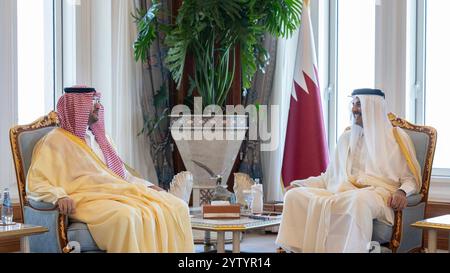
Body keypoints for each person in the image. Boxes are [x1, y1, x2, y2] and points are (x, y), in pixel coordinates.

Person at [26, 86, 194, 253]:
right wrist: (58, 196)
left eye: (98, 101)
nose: (98, 106)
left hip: (120, 193)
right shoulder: (55, 141)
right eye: (92, 102)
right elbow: (37, 181)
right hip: (86, 199)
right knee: (127, 217)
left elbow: (120, 175)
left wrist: (149, 187)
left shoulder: (102, 138)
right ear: (77, 107)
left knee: (177, 206)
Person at [276, 88, 421, 253]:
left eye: (359, 104)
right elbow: (328, 178)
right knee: (295, 195)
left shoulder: (396, 138)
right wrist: (299, 185)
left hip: (377, 195)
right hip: (341, 192)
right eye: (353, 104)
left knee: (358, 200)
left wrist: (402, 192)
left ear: (372, 107)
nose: (354, 109)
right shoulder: (346, 138)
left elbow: (411, 179)